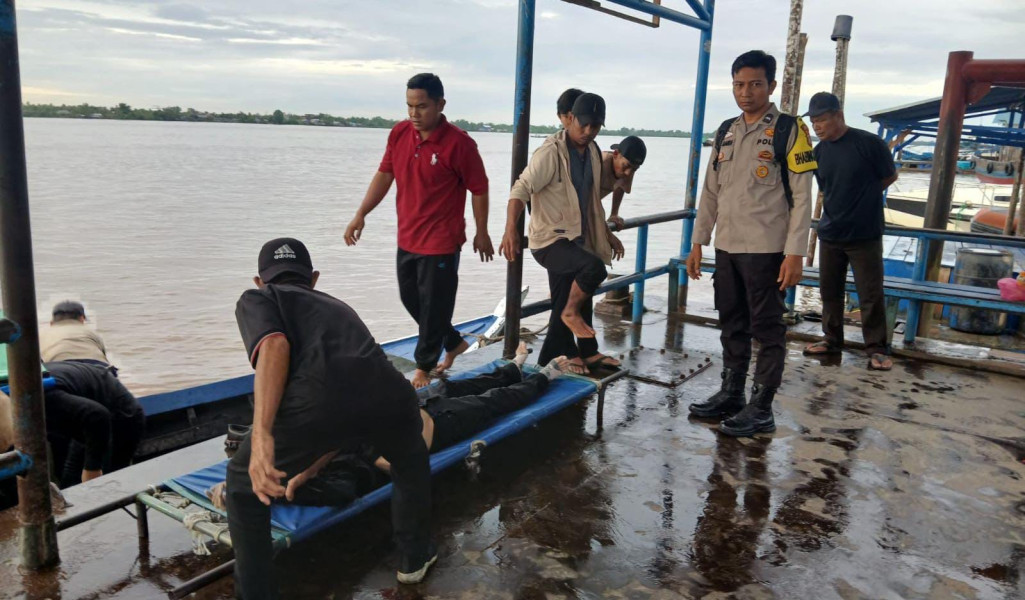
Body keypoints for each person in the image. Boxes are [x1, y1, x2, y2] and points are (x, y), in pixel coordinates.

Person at [227, 237, 434, 598]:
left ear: (259, 280)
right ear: (314, 278)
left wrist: (262, 436)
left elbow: (274, 345)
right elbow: (352, 382)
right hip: (390, 394)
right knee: (410, 460)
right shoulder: (337, 305)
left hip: (317, 402)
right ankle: (414, 559)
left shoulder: (258, 297)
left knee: (242, 488)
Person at [207, 345, 568, 510]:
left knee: (461, 385)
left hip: (416, 408)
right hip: (440, 425)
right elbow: (395, 466)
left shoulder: (321, 432)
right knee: (496, 403)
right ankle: (543, 376)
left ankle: (514, 366)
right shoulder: (347, 474)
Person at [685, 50, 816, 437]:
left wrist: (796, 252)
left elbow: (803, 195)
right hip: (727, 246)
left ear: (771, 86)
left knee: (768, 328)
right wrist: (697, 243)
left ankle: (762, 407)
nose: (746, 92)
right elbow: (710, 192)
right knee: (732, 322)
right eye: (739, 84)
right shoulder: (726, 129)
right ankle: (731, 393)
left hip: (766, 249)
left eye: (755, 84)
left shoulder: (789, 130)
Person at [344, 73, 493, 389]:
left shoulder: (460, 144)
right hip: (408, 237)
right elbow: (385, 175)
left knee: (434, 305)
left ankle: (424, 368)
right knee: (410, 298)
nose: (414, 114)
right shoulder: (399, 133)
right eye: (410, 106)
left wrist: (482, 231)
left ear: (440, 104)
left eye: (422, 106)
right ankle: (452, 341)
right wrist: (361, 214)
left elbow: (479, 189)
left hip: (441, 241)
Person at [500, 92, 626, 374]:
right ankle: (565, 348)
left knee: (571, 297)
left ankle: (571, 356)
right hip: (549, 241)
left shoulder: (593, 151)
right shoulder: (550, 152)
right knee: (592, 272)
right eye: (583, 125)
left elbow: (591, 199)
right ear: (570, 119)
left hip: (577, 238)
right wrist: (510, 229)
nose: (588, 132)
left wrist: (606, 233)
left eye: (595, 127)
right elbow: (521, 189)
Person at [800, 92, 898, 371]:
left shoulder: (869, 144)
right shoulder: (819, 152)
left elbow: (890, 175)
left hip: (865, 234)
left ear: (839, 115)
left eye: (822, 120)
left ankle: (877, 348)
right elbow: (823, 188)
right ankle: (831, 340)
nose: (817, 126)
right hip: (830, 233)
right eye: (814, 121)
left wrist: (864, 198)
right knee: (829, 291)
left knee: (870, 293)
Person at [43, 359, 144, 485]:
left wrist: (92, 469)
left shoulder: (42, 396)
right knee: (70, 479)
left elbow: (98, 416)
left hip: (117, 414)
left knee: (107, 483)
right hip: (86, 415)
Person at [39, 301, 110, 366]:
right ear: (82, 319)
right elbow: (103, 354)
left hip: (58, 367)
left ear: (52, 323)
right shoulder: (90, 332)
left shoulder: (41, 333)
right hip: (97, 367)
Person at [601, 136, 646, 228]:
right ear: (616, 154)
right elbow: (587, 201)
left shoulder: (628, 169)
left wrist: (614, 214)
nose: (628, 173)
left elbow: (621, 186)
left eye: (634, 169)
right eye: (626, 166)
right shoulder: (598, 164)